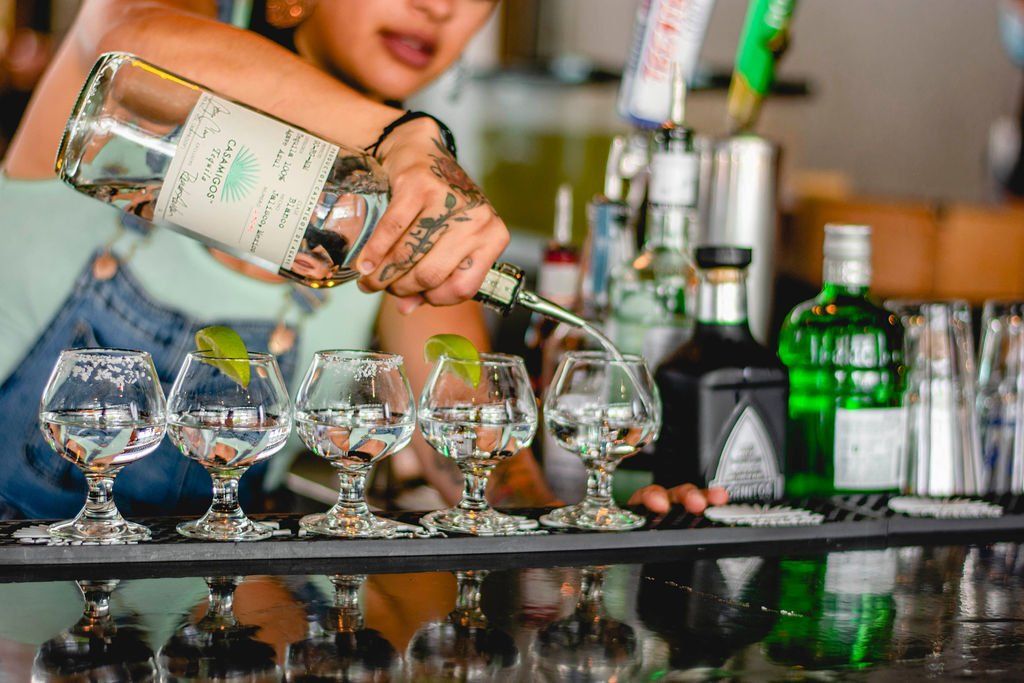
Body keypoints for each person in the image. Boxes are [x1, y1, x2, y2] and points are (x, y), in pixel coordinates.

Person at [0, 0, 725, 519]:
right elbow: (122, 36)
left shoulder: (410, 213)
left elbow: (472, 444)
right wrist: (397, 135)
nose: (438, 8)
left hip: (191, 632)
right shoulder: (138, 80)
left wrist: (586, 520)